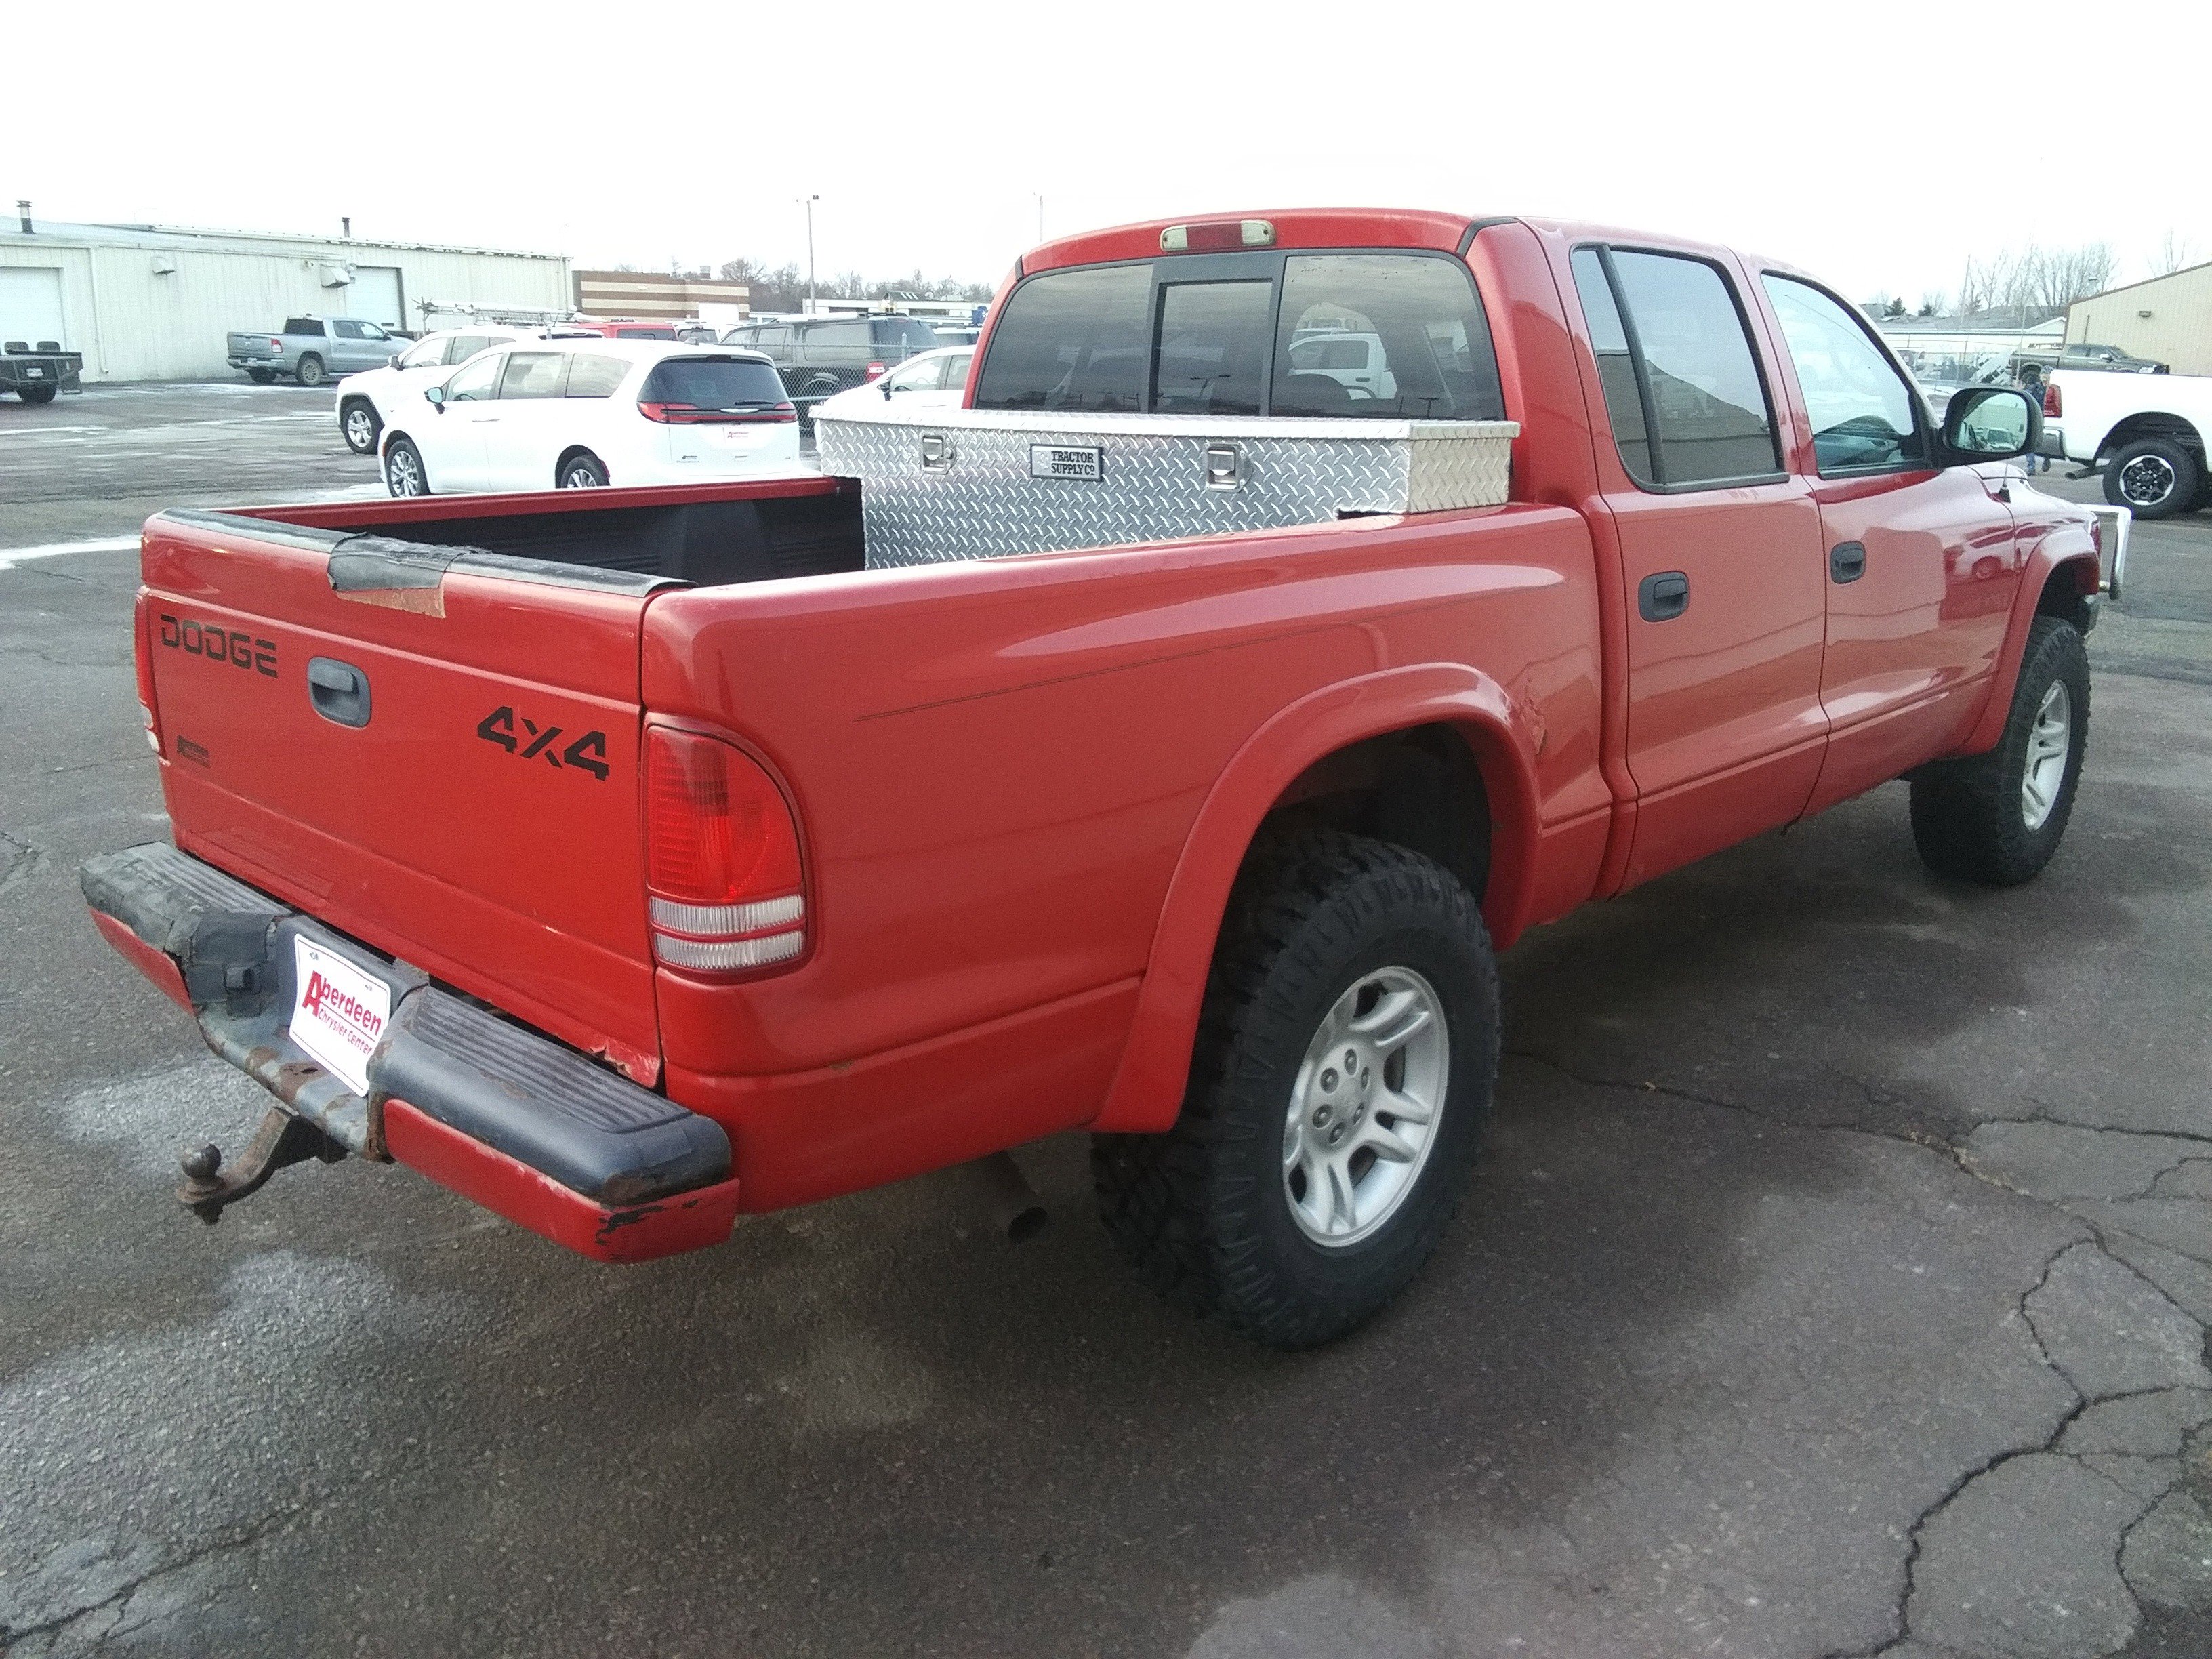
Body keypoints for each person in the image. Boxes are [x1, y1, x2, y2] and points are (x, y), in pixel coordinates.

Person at [2017, 364, 2050, 472]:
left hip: (2048, 418)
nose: (2045, 378)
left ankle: (2046, 458)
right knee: (2033, 440)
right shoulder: (2037, 388)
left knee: (2044, 441)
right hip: (2039, 417)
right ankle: (2033, 466)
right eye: (2044, 375)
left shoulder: (2054, 389)